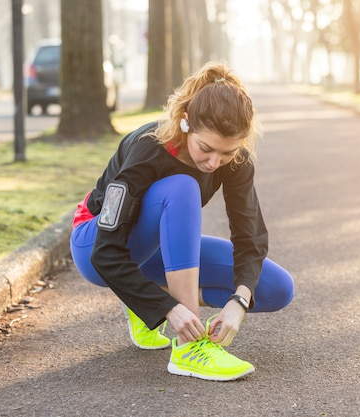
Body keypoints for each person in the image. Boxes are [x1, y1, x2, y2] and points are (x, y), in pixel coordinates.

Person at [69, 62, 295, 382]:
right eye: (206, 148)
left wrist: (238, 302)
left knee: (275, 289)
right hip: (96, 241)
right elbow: (105, 252)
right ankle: (190, 349)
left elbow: (250, 237)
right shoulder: (148, 147)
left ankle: (140, 300)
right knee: (182, 186)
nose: (214, 162)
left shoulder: (237, 161)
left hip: (155, 250)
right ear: (186, 123)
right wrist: (170, 308)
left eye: (227, 153)